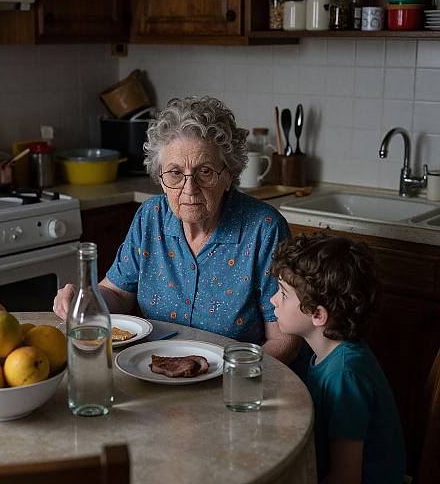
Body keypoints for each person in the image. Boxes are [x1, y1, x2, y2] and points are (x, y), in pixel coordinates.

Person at [54, 96, 300, 363]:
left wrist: (231, 377)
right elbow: (117, 293)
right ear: (160, 177)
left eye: (205, 172)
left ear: (229, 175)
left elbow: (284, 339)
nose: (189, 188)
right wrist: (84, 300)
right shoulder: (151, 217)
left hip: (234, 385)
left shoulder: (263, 229)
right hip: (155, 372)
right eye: (174, 173)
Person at [270, 233, 406, 484]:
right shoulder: (330, 354)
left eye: (284, 293)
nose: (273, 300)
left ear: (318, 315)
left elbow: (347, 476)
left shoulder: (345, 375)